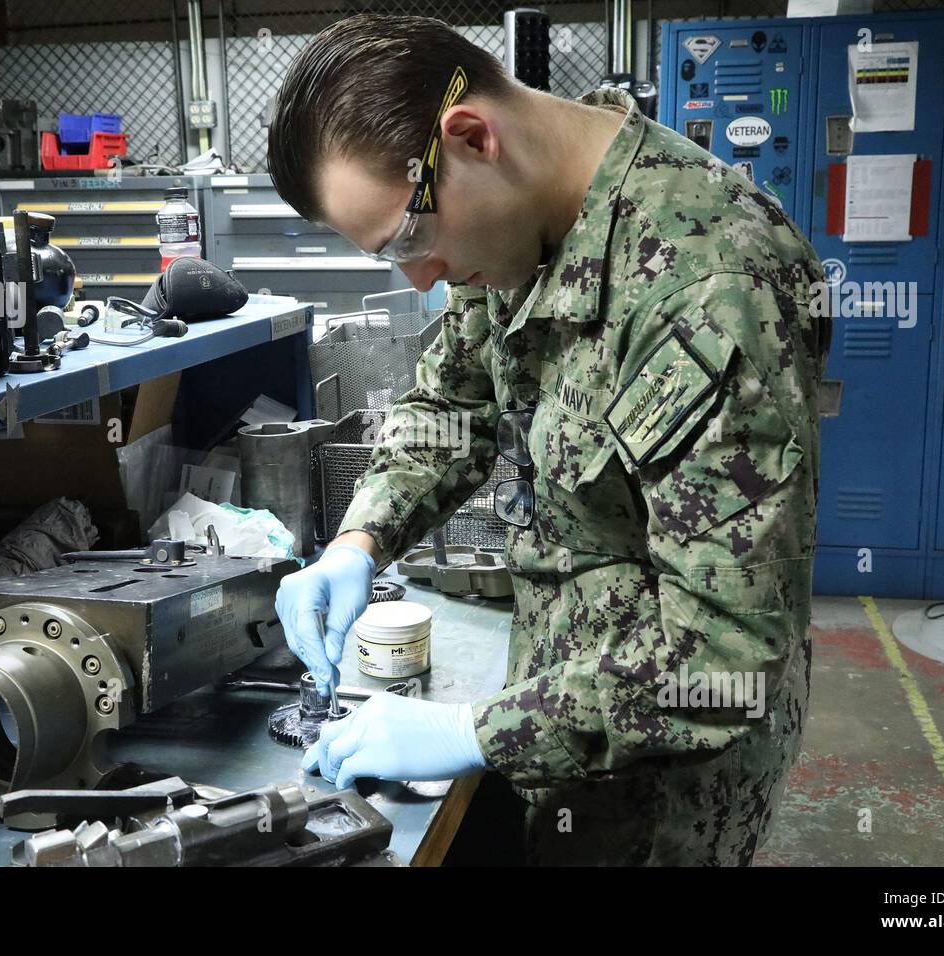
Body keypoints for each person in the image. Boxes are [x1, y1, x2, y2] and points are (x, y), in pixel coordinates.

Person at [269, 14, 830, 865]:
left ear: (470, 138)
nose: (419, 277)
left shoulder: (712, 287)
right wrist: (359, 538)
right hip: (553, 707)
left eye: (408, 240)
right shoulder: (517, 230)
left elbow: (730, 652)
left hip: (663, 790)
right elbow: (451, 403)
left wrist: (474, 730)